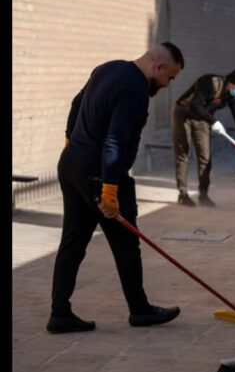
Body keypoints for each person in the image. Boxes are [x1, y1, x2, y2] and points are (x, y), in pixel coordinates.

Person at [48, 42, 184, 332]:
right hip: (101, 173)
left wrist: (71, 142)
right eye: (169, 77)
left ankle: (60, 314)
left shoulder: (108, 68)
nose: (167, 84)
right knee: (125, 244)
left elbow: (76, 102)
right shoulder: (135, 90)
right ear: (158, 67)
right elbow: (114, 141)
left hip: (71, 164)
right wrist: (110, 190)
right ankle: (140, 310)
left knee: (73, 240)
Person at [172, 65, 235, 206]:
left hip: (203, 119)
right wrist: (214, 121)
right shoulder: (209, 82)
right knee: (183, 154)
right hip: (183, 114)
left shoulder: (232, 95)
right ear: (232, 82)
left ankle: (203, 195)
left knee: (206, 157)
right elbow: (195, 105)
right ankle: (183, 193)